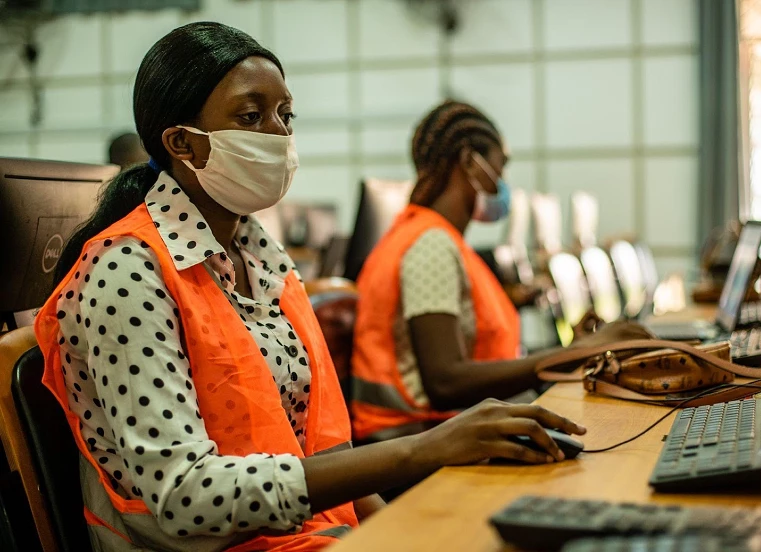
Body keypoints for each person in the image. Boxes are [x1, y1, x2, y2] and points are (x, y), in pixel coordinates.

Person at [34, 23, 586, 552]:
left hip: (300, 536)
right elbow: (185, 498)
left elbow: (315, 453)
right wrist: (421, 451)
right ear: (183, 143)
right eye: (252, 117)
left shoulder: (260, 257)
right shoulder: (127, 272)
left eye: (285, 114)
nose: (279, 134)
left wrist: (407, 533)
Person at [351, 101, 650, 442]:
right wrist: (577, 353)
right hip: (421, 447)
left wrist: (572, 351)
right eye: (500, 166)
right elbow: (446, 382)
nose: (503, 182)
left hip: (442, 432)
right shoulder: (429, 245)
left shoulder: (432, 237)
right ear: (468, 162)